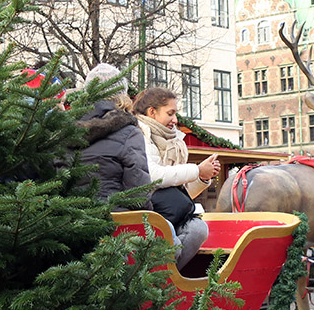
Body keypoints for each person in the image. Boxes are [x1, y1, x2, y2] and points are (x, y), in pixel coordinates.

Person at [132, 87, 219, 270]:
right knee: (168, 235)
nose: (175, 120)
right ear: (152, 112)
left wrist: (202, 177)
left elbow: (178, 195)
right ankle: (159, 279)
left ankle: (170, 279)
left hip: (166, 211)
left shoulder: (174, 142)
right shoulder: (140, 135)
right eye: (170, 113)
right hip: (143, 210)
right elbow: (153, 176)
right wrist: (196, 170)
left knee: (198, 229)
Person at [73, 64, 149, 202]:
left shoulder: (65, 131)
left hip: (67, 218)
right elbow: (138, 193)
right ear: (122, 96)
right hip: (115, 216)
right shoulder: (129, 133)